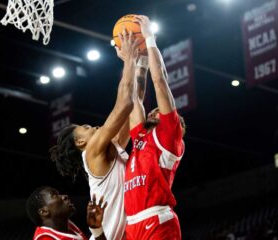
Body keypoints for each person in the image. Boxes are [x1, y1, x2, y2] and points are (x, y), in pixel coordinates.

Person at [49, 29, 141, 240]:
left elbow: (133, 104)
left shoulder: (111, 148)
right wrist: (128, 59)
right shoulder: (91, 152)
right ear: (81, 141)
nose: (94, 127)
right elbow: (124, 104)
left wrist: (139, 63)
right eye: (87, 127)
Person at [123, 15, 186, 240]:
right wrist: (135, 62)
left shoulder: (169, 137)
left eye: (157, 111)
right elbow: (134, 99)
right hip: (132, 223)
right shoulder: (141, 137)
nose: (152, 111)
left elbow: (160, 82)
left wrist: (149, 39)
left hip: (157, 220)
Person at [26, 186, 107, 240]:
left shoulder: (67, 225)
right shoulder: (46, 238)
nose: (64, 196)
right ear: (44, 211)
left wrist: (96, 229)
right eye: (55, 195)